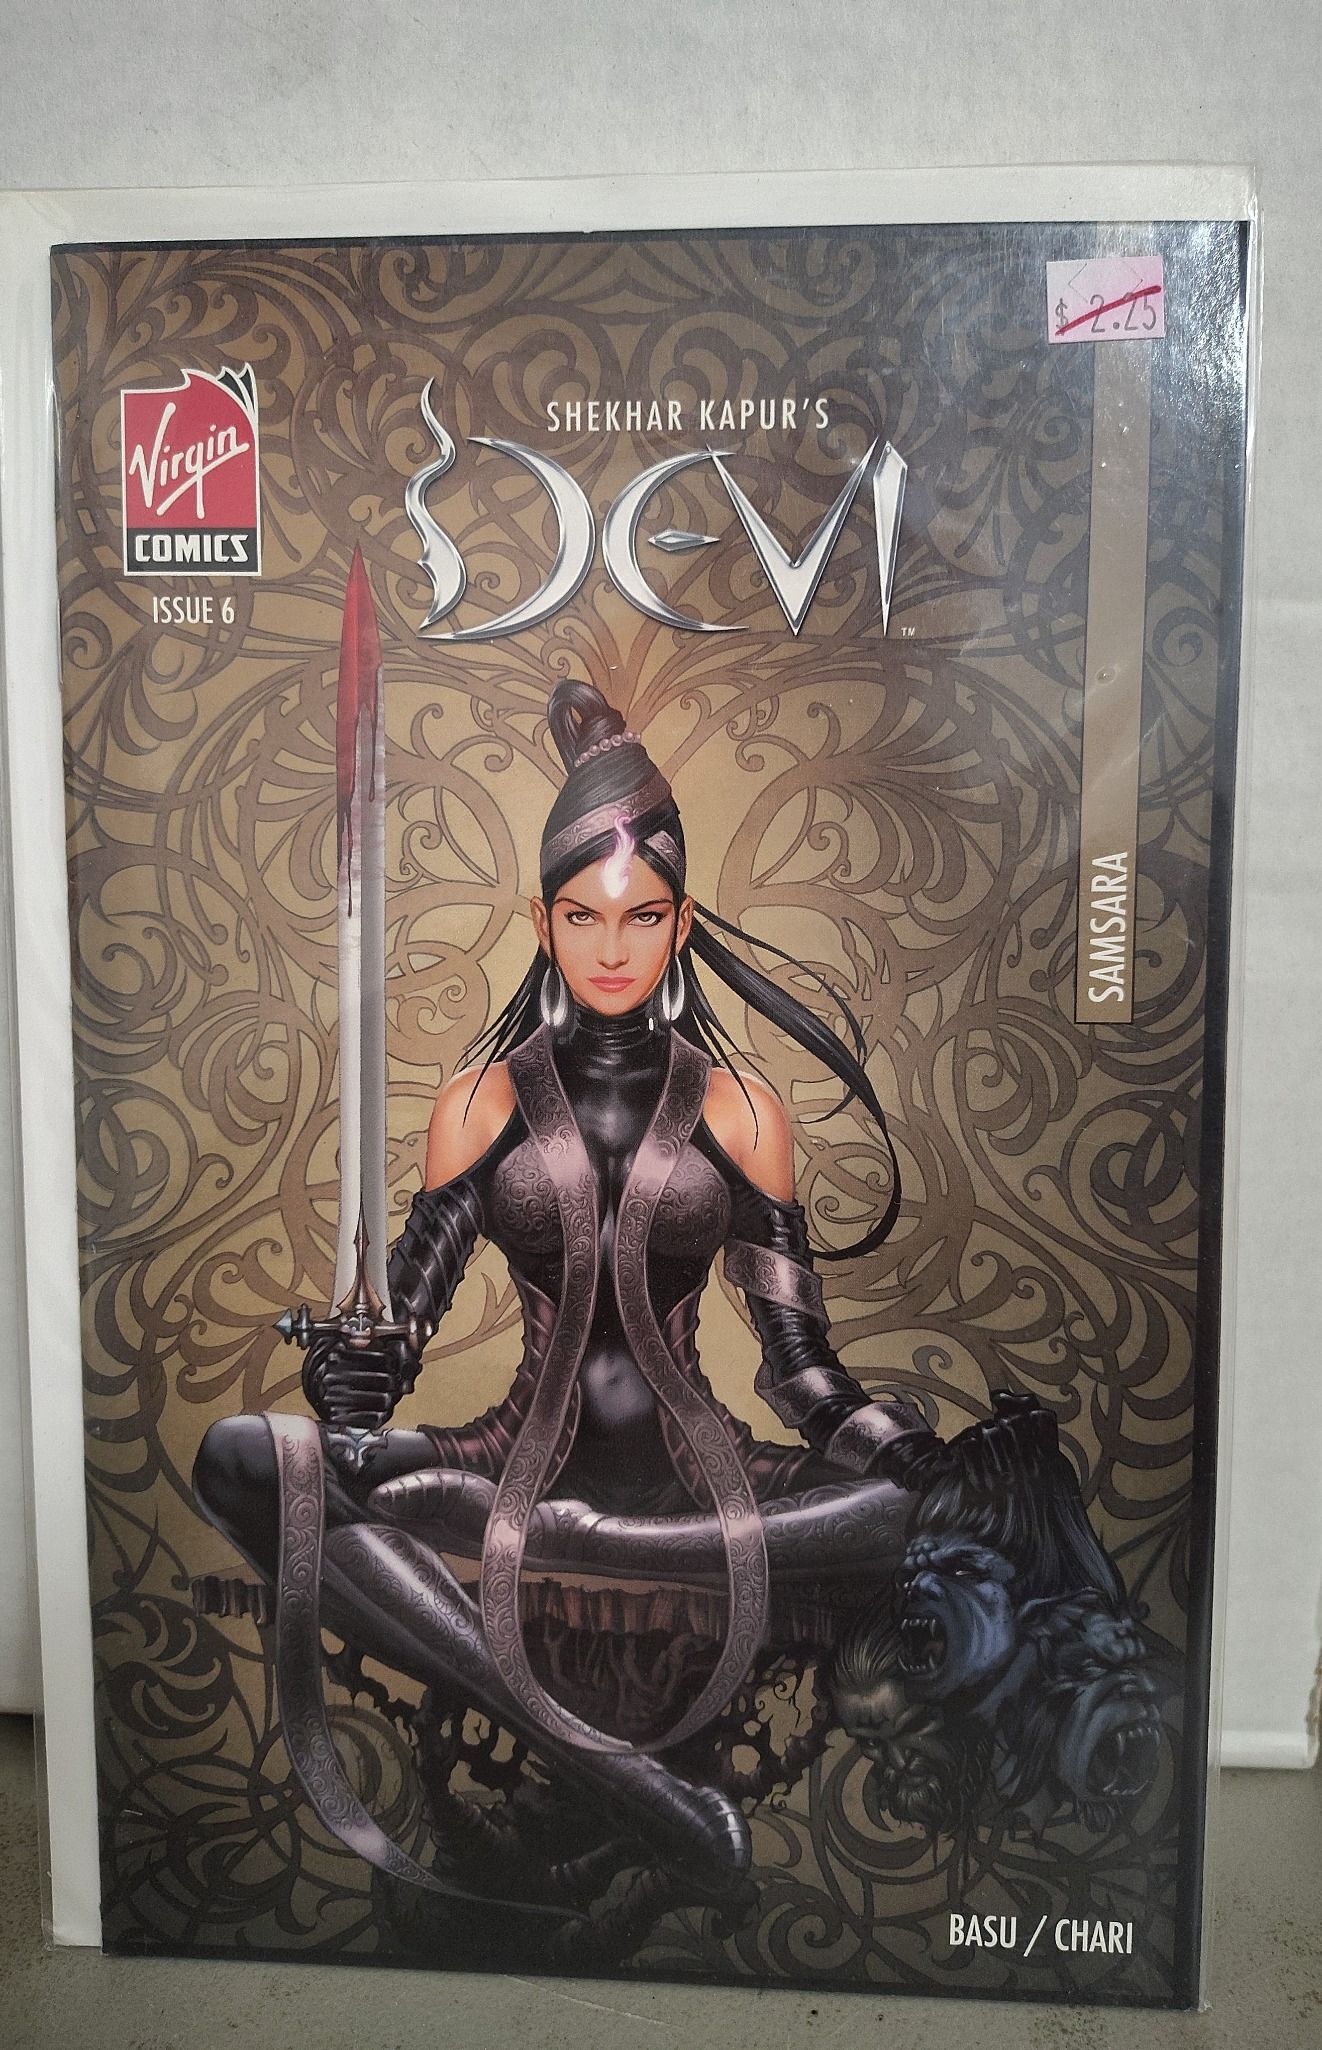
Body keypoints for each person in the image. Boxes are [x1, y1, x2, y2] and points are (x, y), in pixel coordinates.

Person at [193, 678, 939, 1890]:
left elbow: (803, 1372)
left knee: (923, 1510)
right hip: (506, 1468)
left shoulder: (744, 1111)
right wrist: (356, 1376)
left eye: (640, 917)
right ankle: (634, 1783)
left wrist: (893, 1445)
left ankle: (639, 1549)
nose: (612, 948)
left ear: (680, 923)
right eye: (583, 918)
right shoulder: (480, 1103)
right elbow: (401, 1329)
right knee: (243, 1456)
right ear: (541, 923)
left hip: (703, 1483)